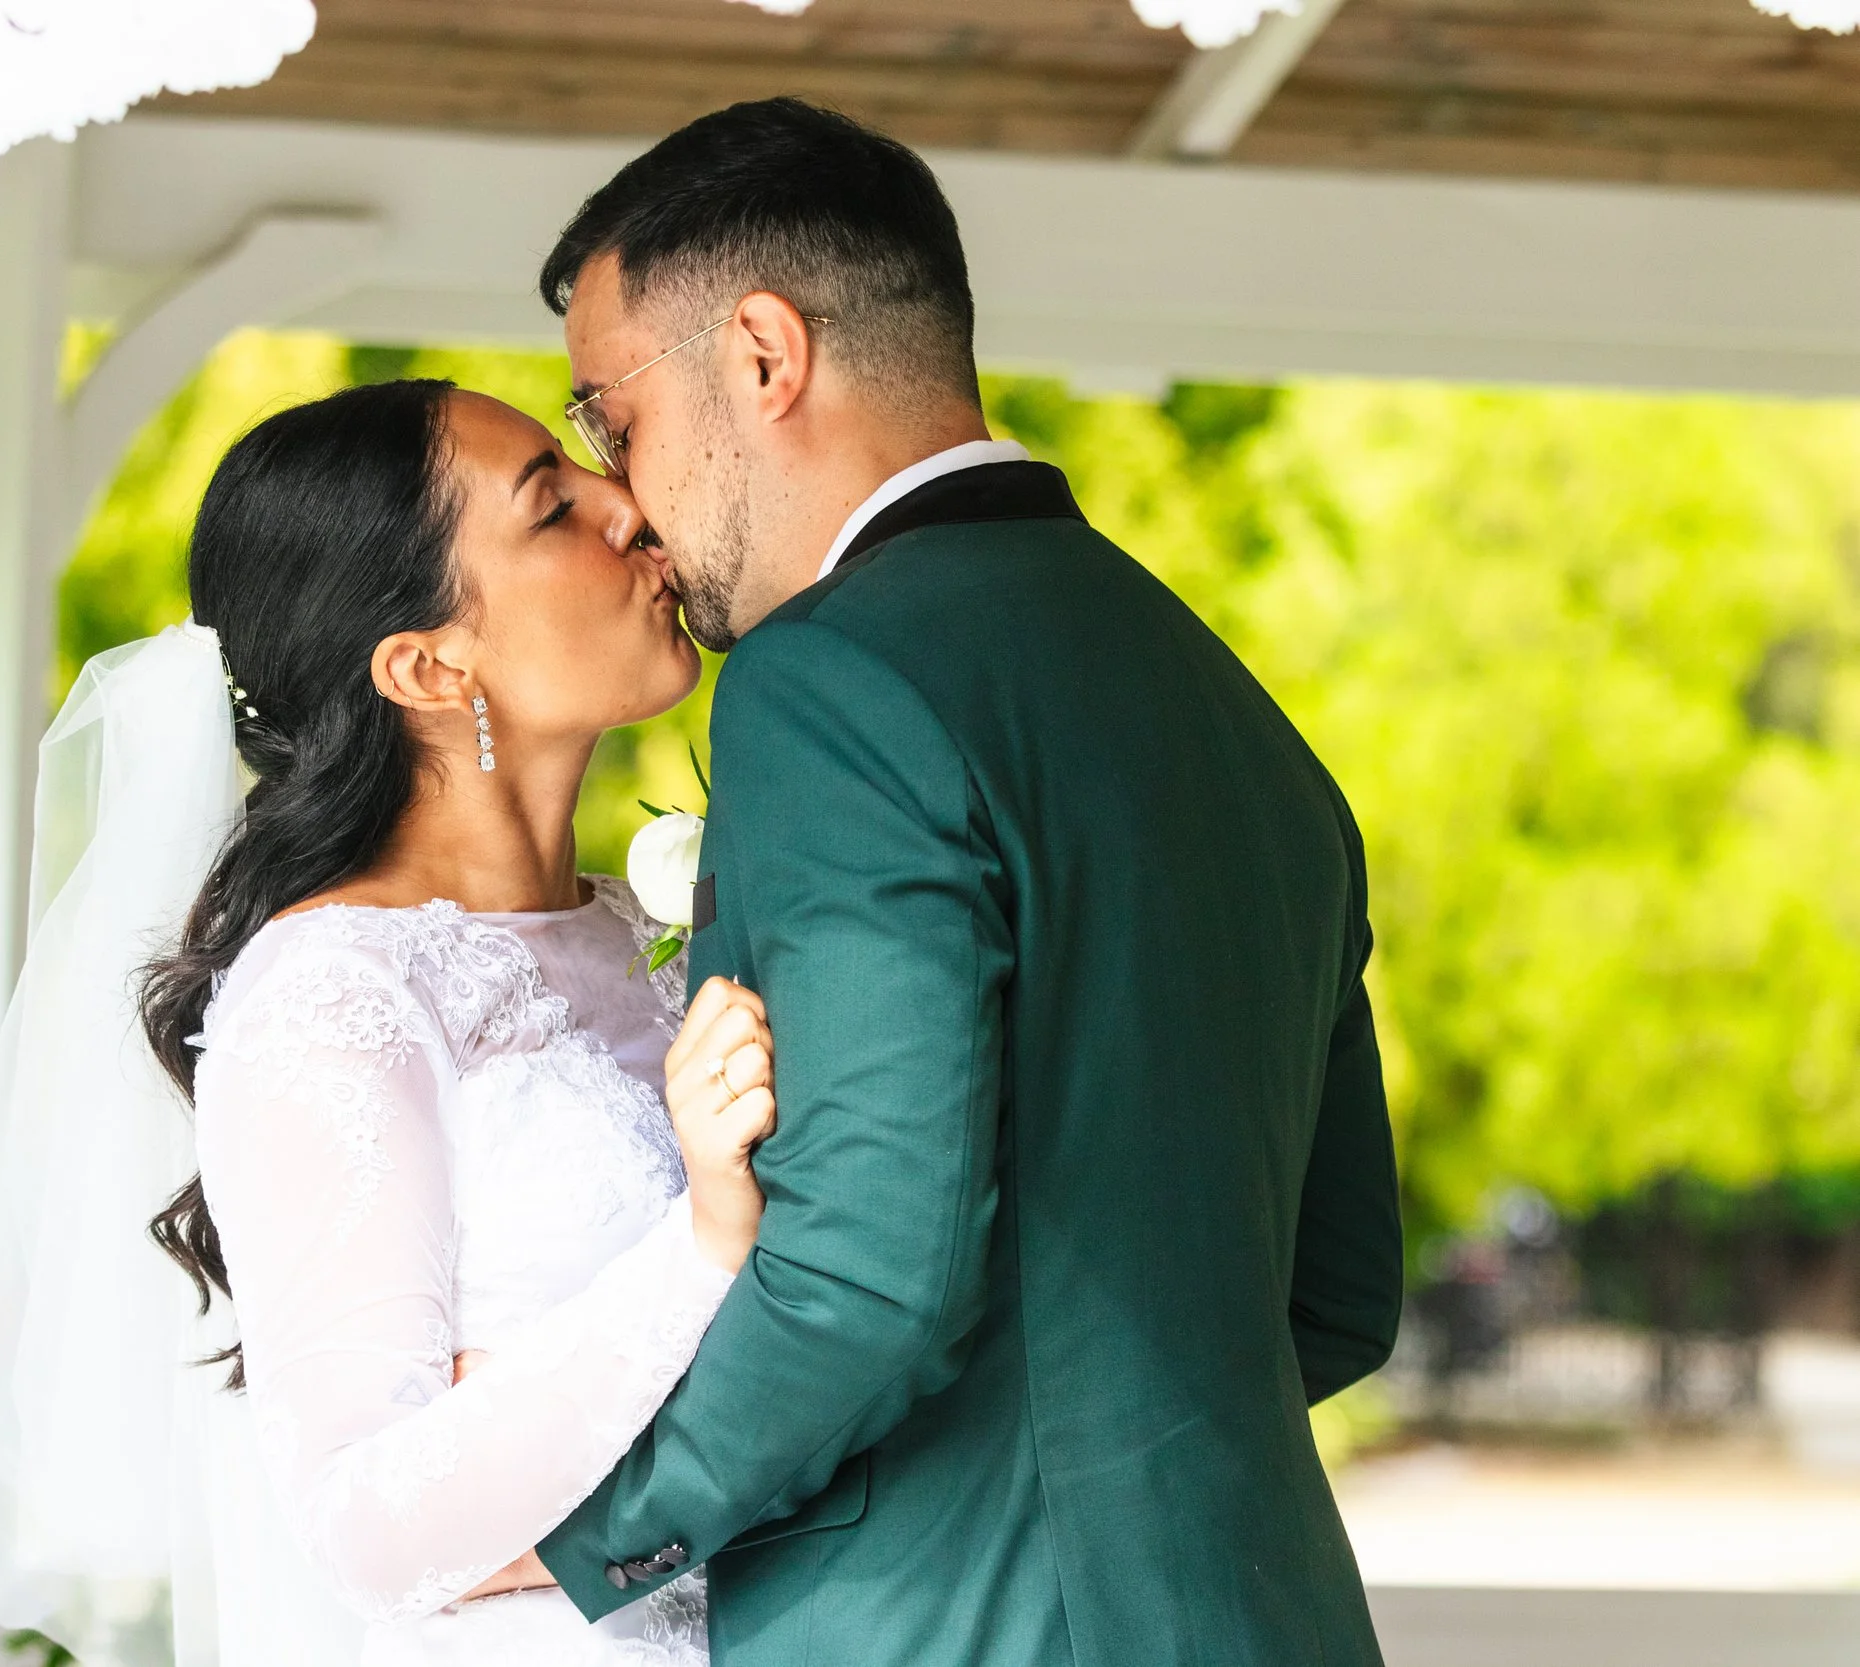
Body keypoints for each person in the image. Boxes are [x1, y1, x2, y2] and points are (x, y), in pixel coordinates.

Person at [522, 98, 1404, 1667]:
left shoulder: (830, 681)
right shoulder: (1234, 709)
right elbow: (1337, 1295)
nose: (629, 500)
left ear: (765, 354)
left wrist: (598, 1532)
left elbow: (870, 1267)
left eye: (612, 419)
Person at [132, 378, 776, 1665]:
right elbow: (368, 1524)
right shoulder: (335, 993)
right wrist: (702, 1244)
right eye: (552, 506)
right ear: (427, 665)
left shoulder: (641, 930)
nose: (627, 504)